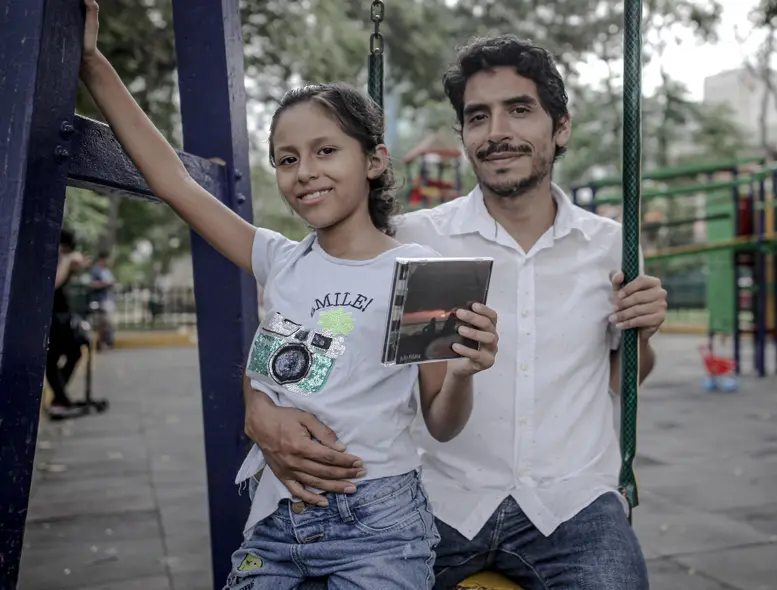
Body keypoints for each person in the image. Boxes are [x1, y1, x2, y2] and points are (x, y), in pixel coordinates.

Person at [78, 2, 499, 588]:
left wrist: (460, 374)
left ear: (374, 160)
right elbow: (171, 181)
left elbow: (442, 423)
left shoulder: (420, 274)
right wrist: (92, 63)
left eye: (326, 151)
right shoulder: (279, 258)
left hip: (380, 524)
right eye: (287, 158)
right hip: (278, 519)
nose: (305, 171)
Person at [244, 35, 668, 589]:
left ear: (559, 127)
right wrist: (257, 404)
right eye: (478, 117)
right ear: (464, 134)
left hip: (571, 502)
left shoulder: (611, 245)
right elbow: (307, 303)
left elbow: (621, 377)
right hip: (440, 498)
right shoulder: (412, 240)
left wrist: (644, 333)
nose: (497, 133)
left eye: (519, 110)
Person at [46, 229, 90, 419]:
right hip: (54, 317)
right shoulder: (57, 259)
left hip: (61, 317)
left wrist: (71, 263)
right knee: (51, 359)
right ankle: (60, 398)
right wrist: (67, 260)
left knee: (73, 353)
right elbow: (54, 283)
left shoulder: (63, 260)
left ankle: (60, 398)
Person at [88, 250, 116, 350]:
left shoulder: (107, 271)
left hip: (109, 299)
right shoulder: (95, 270)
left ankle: (107, 341)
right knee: (102, 322)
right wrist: (105, 283)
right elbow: (92, 284)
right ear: (102, 259)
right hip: (100, 300)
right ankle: (102, 343)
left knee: (109, 322)